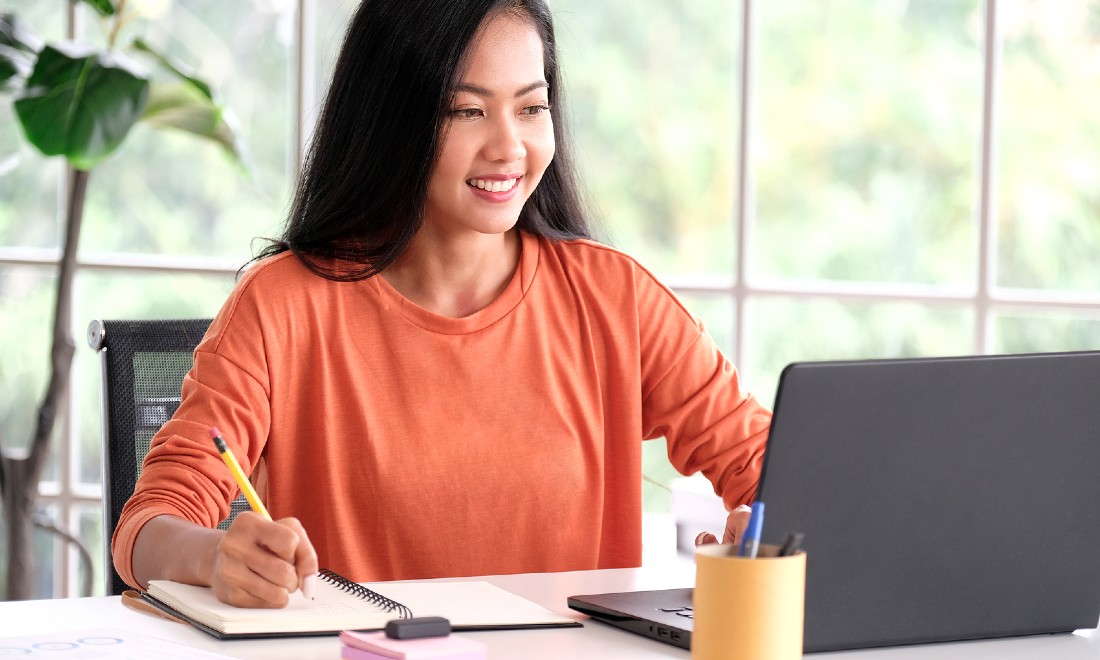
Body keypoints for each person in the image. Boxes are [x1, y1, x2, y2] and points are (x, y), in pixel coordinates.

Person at [112, 0, 771, 609]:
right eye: (467, 110)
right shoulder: (283, 305)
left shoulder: (615, 300)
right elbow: (146, 528)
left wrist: (764, 535)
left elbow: (768, 467)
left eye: (531, 108)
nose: (509, 146)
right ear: (390, 118)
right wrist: (212, 555)